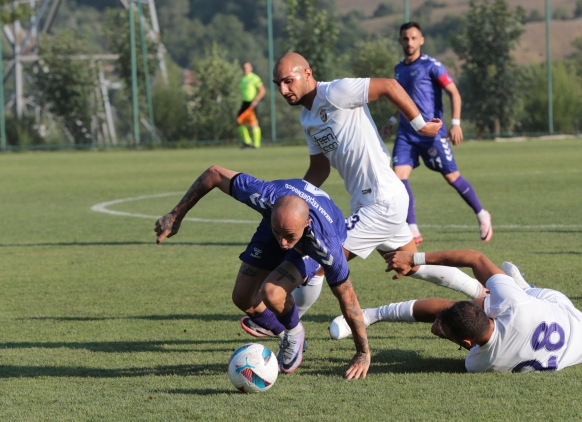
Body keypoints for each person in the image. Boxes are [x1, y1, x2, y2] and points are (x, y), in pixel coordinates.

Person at [240, 52, 488, 344]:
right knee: (411, 264)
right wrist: (290, 202)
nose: (283, 90)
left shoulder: (335, 92)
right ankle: (481, 293)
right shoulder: (308, 118)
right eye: (278, 83)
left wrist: (420, 124)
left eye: (288, 81)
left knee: (321, 257)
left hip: (382, 201)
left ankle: (289, 328)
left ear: (307, 73)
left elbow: (389, 86)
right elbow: (319, 168)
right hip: (370, 203)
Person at [154, 165, 370, 380]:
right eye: (279, 234)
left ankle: (294, 333)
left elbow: (348, 298)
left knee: (272, 292)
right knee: (243, 298)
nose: (283, 243)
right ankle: (289, 334)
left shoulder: (326, 245)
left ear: (306, 223)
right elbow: (214, 174)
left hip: (312, 241)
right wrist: (175, 216)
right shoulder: (264, 196)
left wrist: (363, 352)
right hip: (279, 221)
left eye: (289, 236)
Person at [329, 251, 582, 373]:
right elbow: (475, 258)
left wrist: (446, 329)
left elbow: (474, 259)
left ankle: (372, 314)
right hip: (579, 330)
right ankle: (521, 285)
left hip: (573, 333)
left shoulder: (477, 363)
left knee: (459, 307)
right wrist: (415, 258)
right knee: (508, 294)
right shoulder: (511, 311)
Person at [380, 22, 492, 244]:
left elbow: (454, 93)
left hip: (431, 132)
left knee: (452, 177)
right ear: (400, 41)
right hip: (406, 132)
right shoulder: (398, 69)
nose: (409, 42)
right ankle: (412, 228)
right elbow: (402, 101)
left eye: (413, 38)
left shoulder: (432, 66)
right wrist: (392, 121)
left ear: (421, 40)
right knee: (399, 177)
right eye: (405, 38)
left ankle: (481, 214)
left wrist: (456, 123)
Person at [238, 62, 265, 149]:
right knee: (239, 122)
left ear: (251, 68)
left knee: (253, 123)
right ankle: (247, 142)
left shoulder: (254, 78)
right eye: (244, 67)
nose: (245, 69)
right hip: (244, 103)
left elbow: (262, 91)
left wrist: (256, 100)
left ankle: (256, 145)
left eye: (247, 67)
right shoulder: (243, 78)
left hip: (251, 103)